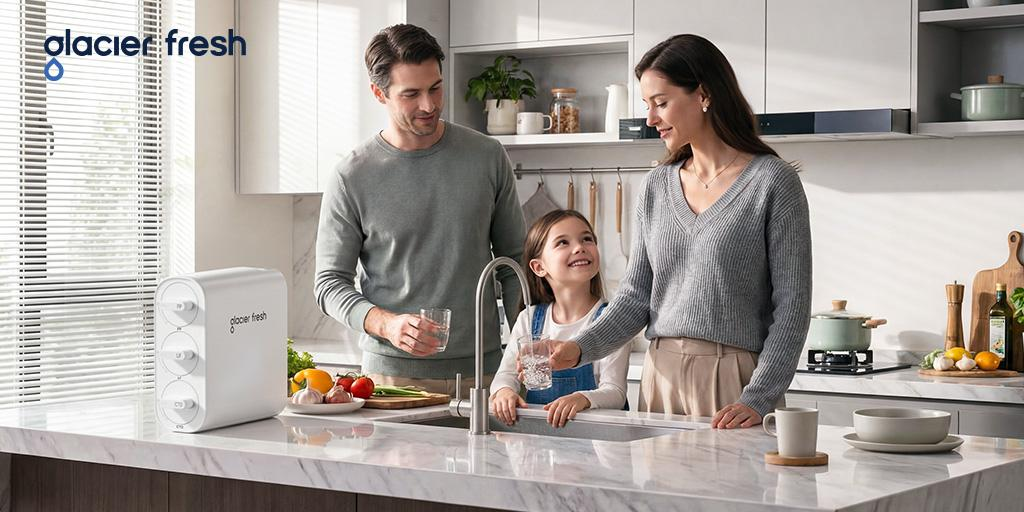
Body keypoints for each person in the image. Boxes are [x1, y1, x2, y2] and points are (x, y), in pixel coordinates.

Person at [545, 34, 812, 429]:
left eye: (661, 103)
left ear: (703, 94)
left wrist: (759, 397)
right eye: (646, 105)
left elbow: (791, 306)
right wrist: (579, 348)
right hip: (660, 377)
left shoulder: (772, 182)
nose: (651, 118)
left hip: (734, 382)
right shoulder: (656, 185)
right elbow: (636, 297)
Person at [314, 24, 526, 397]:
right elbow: (329, 284)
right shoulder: (352, 175)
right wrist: (387, 324)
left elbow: (515, 262)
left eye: (435, 88)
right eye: (411, 94)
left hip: (486, 375)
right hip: (392, 381)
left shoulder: (487, 157)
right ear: (379, 93)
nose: (429, 105)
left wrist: (527, 344)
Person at [491, 210, 630, 428]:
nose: (579, 247)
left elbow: (615, 392)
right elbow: (506, 374)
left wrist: (582, 399)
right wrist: (503, 391)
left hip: (599, 445)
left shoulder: (612, 320)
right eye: (563, 242)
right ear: (539, 267)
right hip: (541, 444)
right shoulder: (528, 318)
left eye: (587, 239)